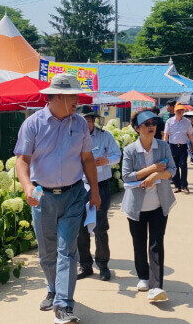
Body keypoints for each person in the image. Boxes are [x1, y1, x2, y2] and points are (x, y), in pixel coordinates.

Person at [14, 74, 101, 324]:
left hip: (74, 194)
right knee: (47, 251)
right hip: (42, 194)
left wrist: (94, 190)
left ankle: (64, 304)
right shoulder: (33, 124)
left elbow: (86, 159)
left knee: (67, 250)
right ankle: (53, 288)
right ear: (58, 97)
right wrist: (27, 186)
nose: (77, 100)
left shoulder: (80, 124)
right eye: (72, 96)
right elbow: (22, 159)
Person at [121, 110, 177, 302]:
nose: (151, 126)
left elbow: (172, 170)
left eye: (153, 122)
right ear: (137, 128)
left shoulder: (163, 146)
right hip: (135, 207)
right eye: (146, 124)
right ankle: (143, 276)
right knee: (138, 243)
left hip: (158, 205)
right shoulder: (129, 150)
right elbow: (126, 177)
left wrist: (157, 176)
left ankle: (156, 286)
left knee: (156, 244)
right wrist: (152, 169)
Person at [77, 106, 122, 281]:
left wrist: (106, 161)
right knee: (81, 228)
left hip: (101, 185)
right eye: (84, 120)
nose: (87, 123)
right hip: (80, 186)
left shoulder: (105, 137)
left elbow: (117, 155)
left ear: (94, 121)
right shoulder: (74, 138)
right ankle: (85, 265)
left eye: (89, 120)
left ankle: (103, 264)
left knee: (100, 226)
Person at [163, 102, 193, 194]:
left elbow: (190, 135)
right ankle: (177, 186)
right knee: (174, 167)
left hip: (183, 146)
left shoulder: (187, 122)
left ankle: (184, 185)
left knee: (183, 165)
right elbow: (166, 135)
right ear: (174, 111)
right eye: (178, 110)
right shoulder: (169, 121)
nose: (179, 112)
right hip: (172, 146)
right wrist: (165, 147)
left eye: (181, 110)